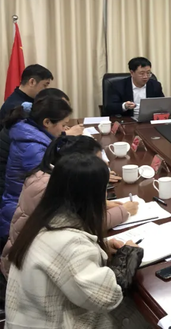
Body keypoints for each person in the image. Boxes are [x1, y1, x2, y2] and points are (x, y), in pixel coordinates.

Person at [5, 154, 140, 328]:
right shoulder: (71, 244)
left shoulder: (41, 221)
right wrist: (128, 255)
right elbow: (107, 297)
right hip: (56, 323)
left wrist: (103, 247)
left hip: (29, 319)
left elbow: (62, 263)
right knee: (137, 315)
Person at [1, 135, 139, 277]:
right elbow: (84, 224)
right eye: (98, 160)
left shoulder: (47, 175)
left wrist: (100, 247)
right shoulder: (50, 189)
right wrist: (123, 212)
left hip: (25, 262)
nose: (106, 163)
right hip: (24, 269)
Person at [0, 96, 72, 244]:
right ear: (47, 122)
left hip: (23, 209)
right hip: (20, 220)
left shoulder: (33, 135)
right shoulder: (33, 148)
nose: (65, 130)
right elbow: (53, 189)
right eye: (63, 125)